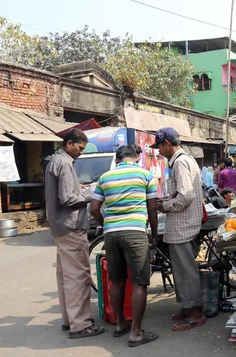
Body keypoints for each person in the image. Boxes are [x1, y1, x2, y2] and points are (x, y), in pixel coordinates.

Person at [90, 145, 159, 347]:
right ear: (136, 157)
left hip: (111, 235)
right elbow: (152, 207)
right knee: (139, 282)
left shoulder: (104, 178)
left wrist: (106, 225)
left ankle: (121, 324)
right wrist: (154, 236)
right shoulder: (145, 175)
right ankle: (136, 333)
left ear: (117, 158)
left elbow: (94, 208)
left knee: (117, 280)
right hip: (135, 232)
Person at [44, 128, 104, 339]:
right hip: (71, 226)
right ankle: (81, 325)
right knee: (79, 277)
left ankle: (70, 320)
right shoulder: (64, 163)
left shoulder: (55, 161)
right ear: (69, 144)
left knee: (66, 276)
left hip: (60, 227)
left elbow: (66, 192)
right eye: (80, 148)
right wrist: (91, 197)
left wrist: (80, 189)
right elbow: (68, 199)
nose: (81, 153)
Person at [151, 127, 205, 331]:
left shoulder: (181, 162)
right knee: (180, 270)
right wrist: (167, 200)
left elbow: (186, 196)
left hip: (183, 225)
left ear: (167, 144)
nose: (159, 151)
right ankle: (187, 306)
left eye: (159, 147)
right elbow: (181, 194)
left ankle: (195, 313)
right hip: (183, 224)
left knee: (185, 270)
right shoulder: (184, 160)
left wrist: (164, 205)